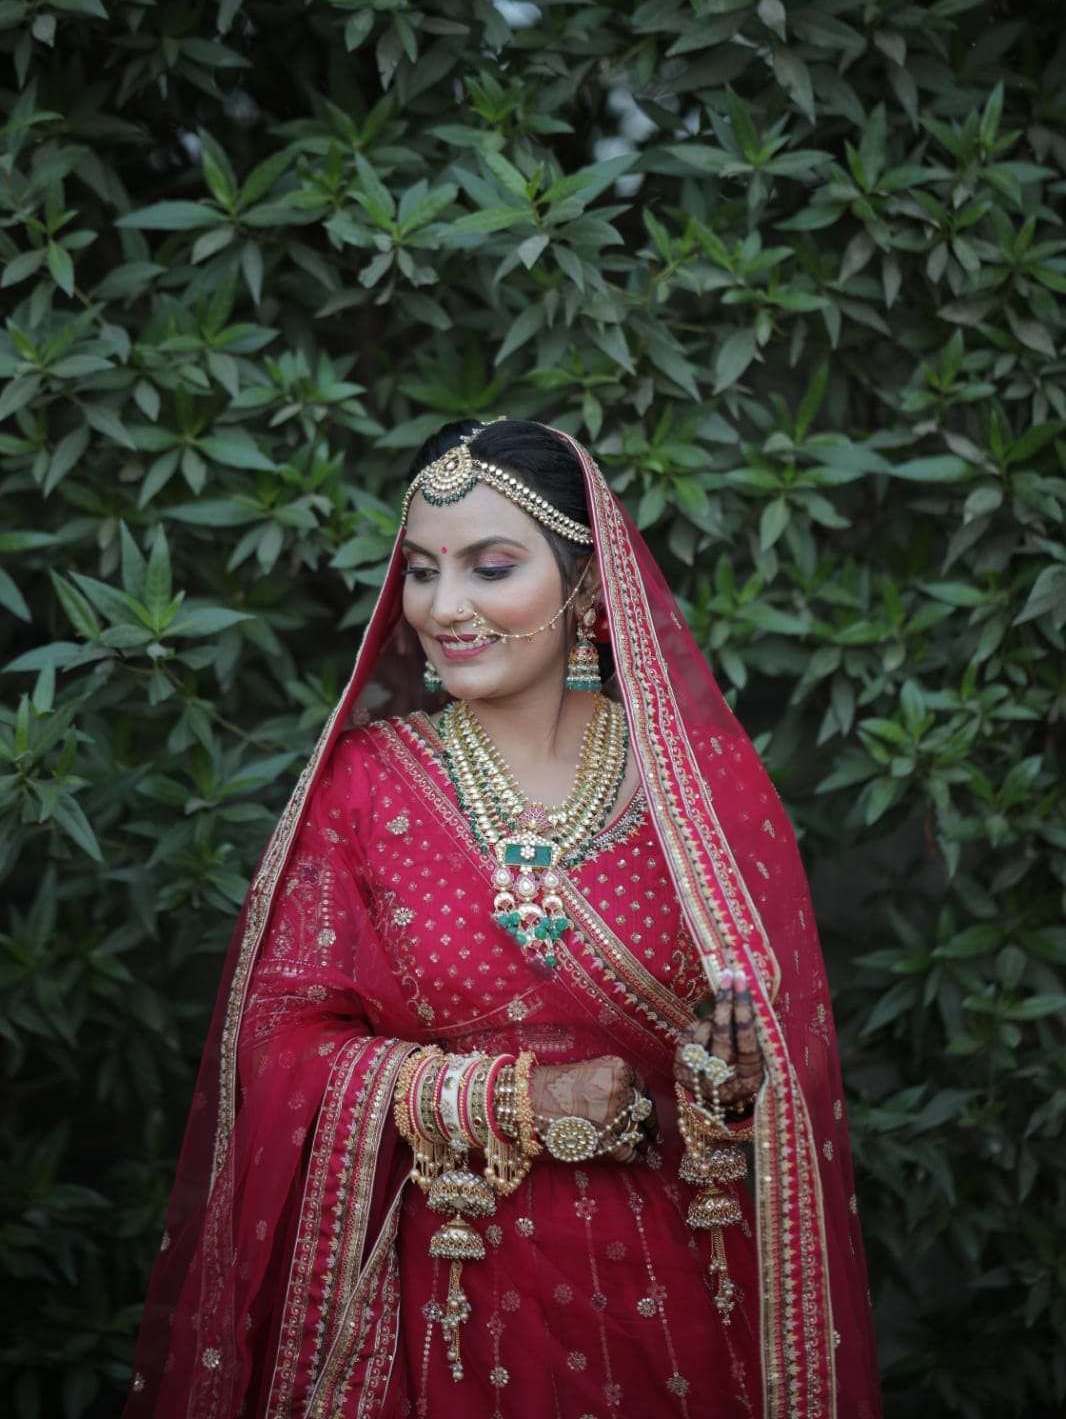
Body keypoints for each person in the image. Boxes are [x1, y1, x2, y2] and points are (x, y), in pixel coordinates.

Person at [125, 419, 881, 1419]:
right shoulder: (366, 787)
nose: (445, 607)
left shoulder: (700, 795)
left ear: (587, 586)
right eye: (421, 571)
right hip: (439, 1290)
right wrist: (511, 1098)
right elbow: (276, 1045)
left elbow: (782, 1068)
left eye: (489, 568)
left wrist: (732, 1071)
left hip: (676, 1296)